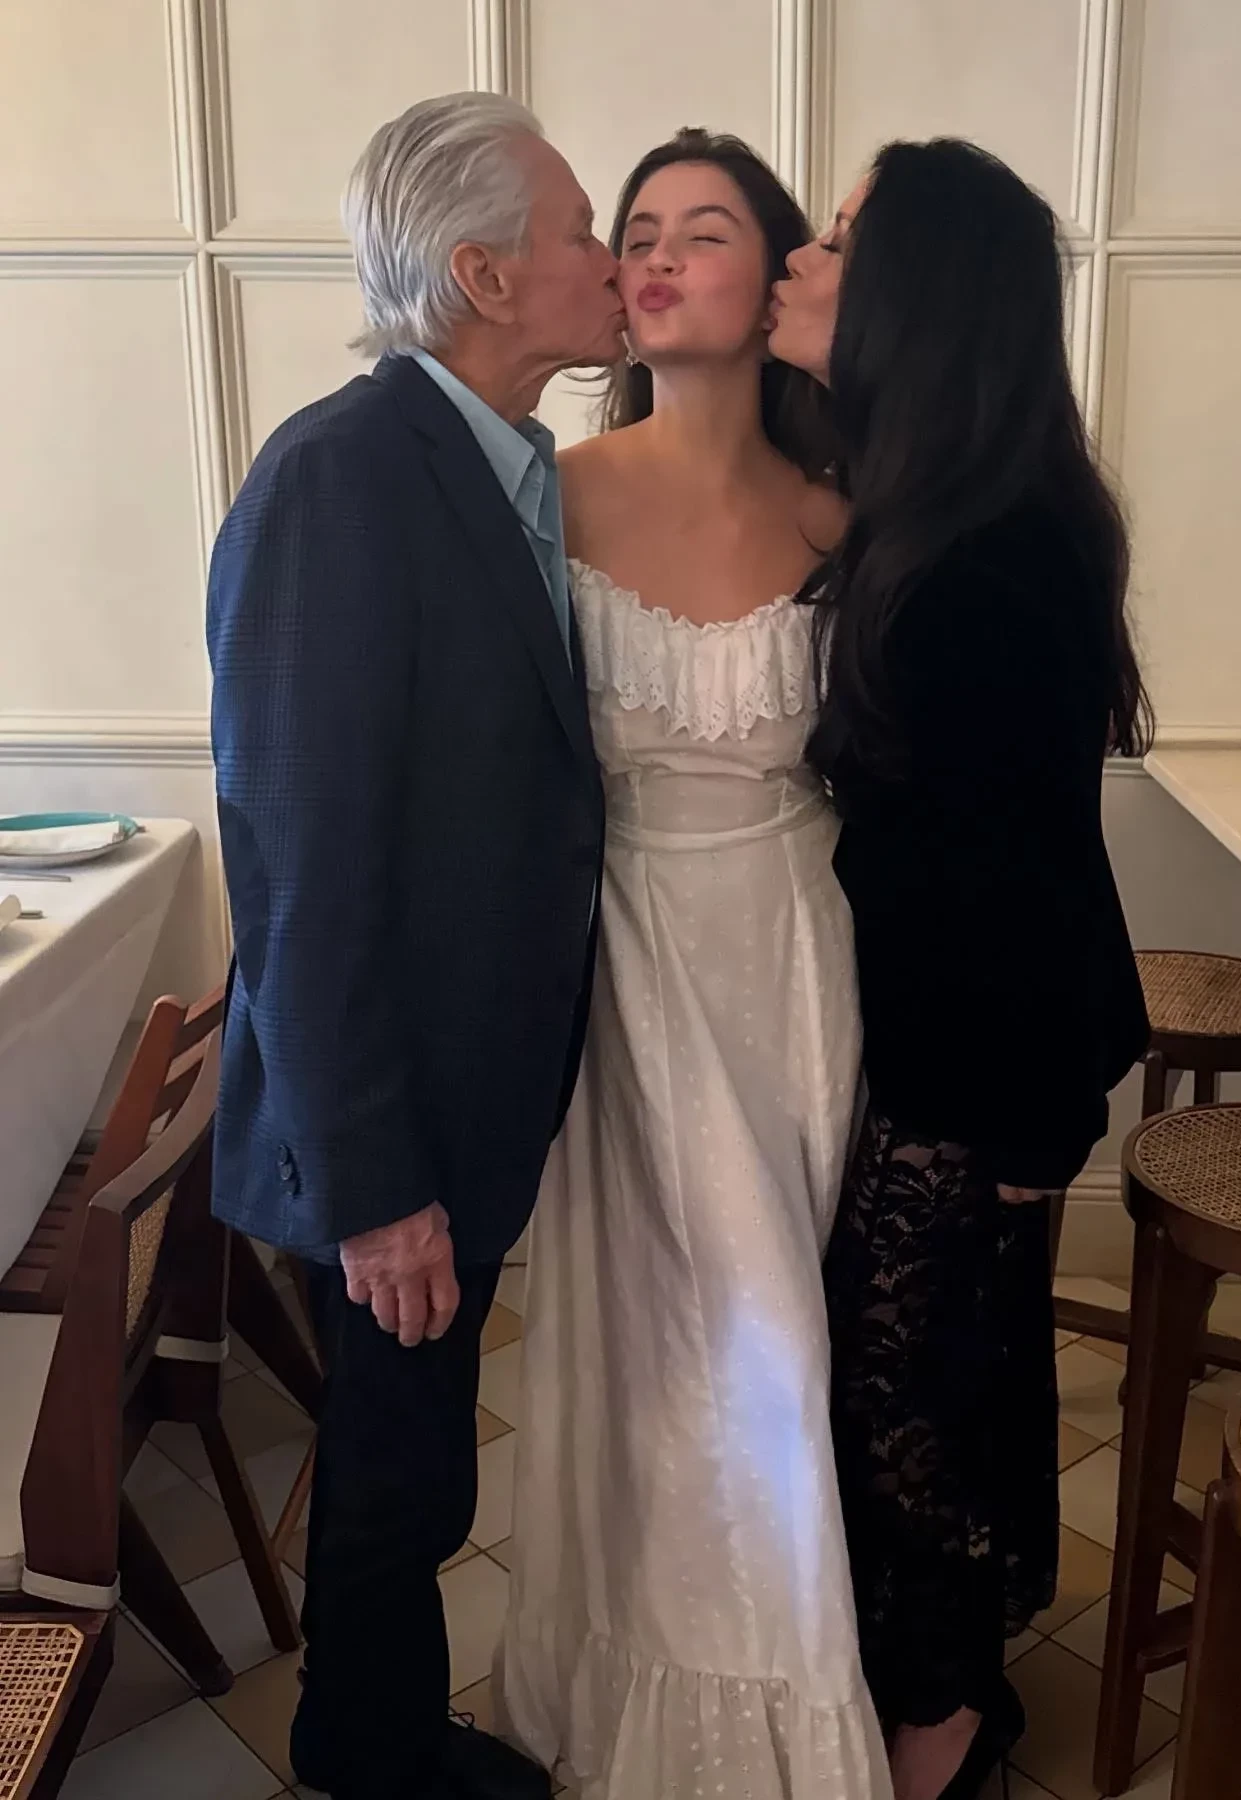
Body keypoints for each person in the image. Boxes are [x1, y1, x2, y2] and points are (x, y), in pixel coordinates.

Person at [206, 93, 625, 1800]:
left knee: (417, 1452)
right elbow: (298, 866)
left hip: (458, 1090)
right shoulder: (341, 475)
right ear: (483, 274)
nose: (611, 260)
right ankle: (369, 1756)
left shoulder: (498, 466)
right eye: (583, 230)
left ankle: (364, 1729)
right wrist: (375, 1184)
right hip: (391, 1116)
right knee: (396, 1472)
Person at [499, 129, 891, 1799]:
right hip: (624, 967)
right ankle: (661, 1694)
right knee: (661, 1352)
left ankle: (794, 1699)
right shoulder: (548, 493)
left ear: (779, 269)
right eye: (638, 229)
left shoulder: (845, 511)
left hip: (798, 967)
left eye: (704, 230)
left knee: (782, 1347)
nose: (656, 257)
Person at [768, 139, 1152, 1800]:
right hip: (942, 1049)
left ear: (916, 295)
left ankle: (938, 1729)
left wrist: (1024, 1139)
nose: (802, 255)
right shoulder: (943, 506)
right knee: (931, 1378)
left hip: (979, 1070)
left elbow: (1022, 874)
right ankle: (948, 1690)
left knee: (907, 1398)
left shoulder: (992, 553)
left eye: (840, 239)